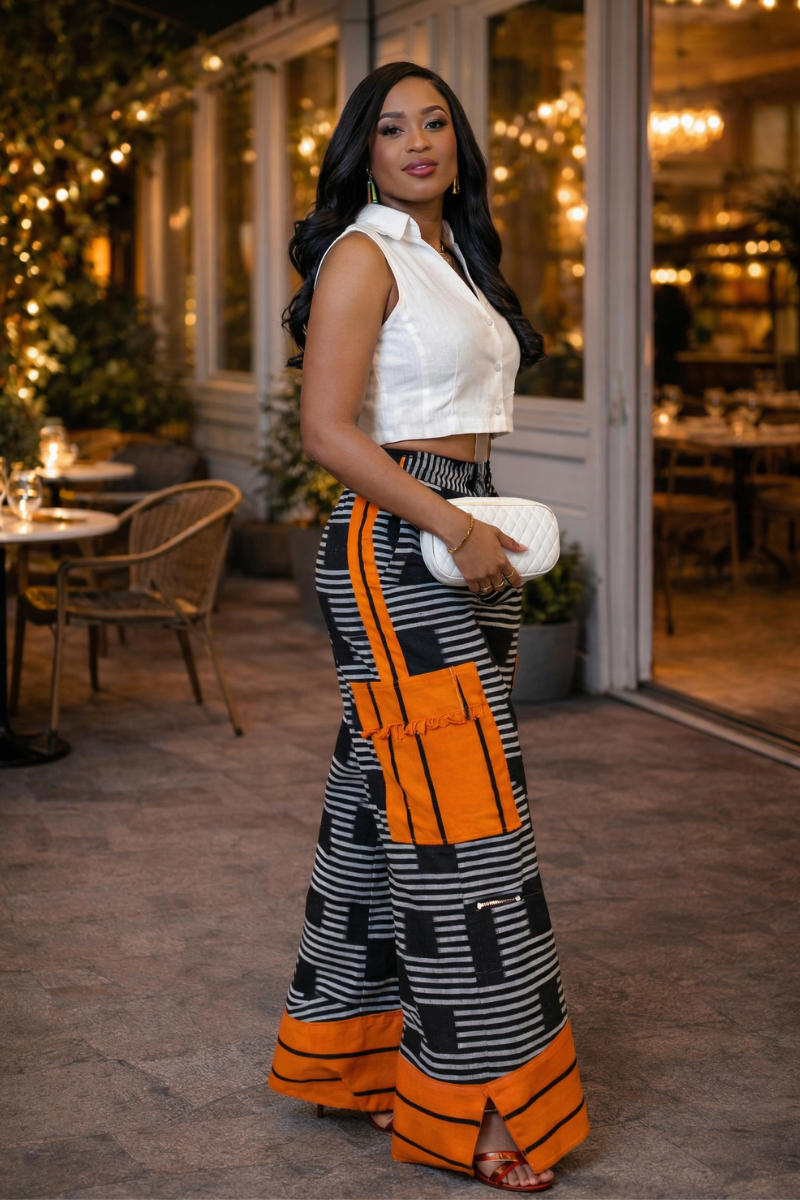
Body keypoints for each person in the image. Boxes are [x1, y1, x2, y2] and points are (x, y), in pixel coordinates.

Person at [268, 61, 589, 1192]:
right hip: (402, 544)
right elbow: (324, 428)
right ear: (362, 150)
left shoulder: (453, 252)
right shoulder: (364, 254)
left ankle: (343, 1055)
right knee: (465, 831)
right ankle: (481, 1107)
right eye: (390, 128)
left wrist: (470, 527)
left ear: (458, 143)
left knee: (387, 800)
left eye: (433, 124)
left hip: (451, 533)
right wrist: (452, 527)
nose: (415, 143)